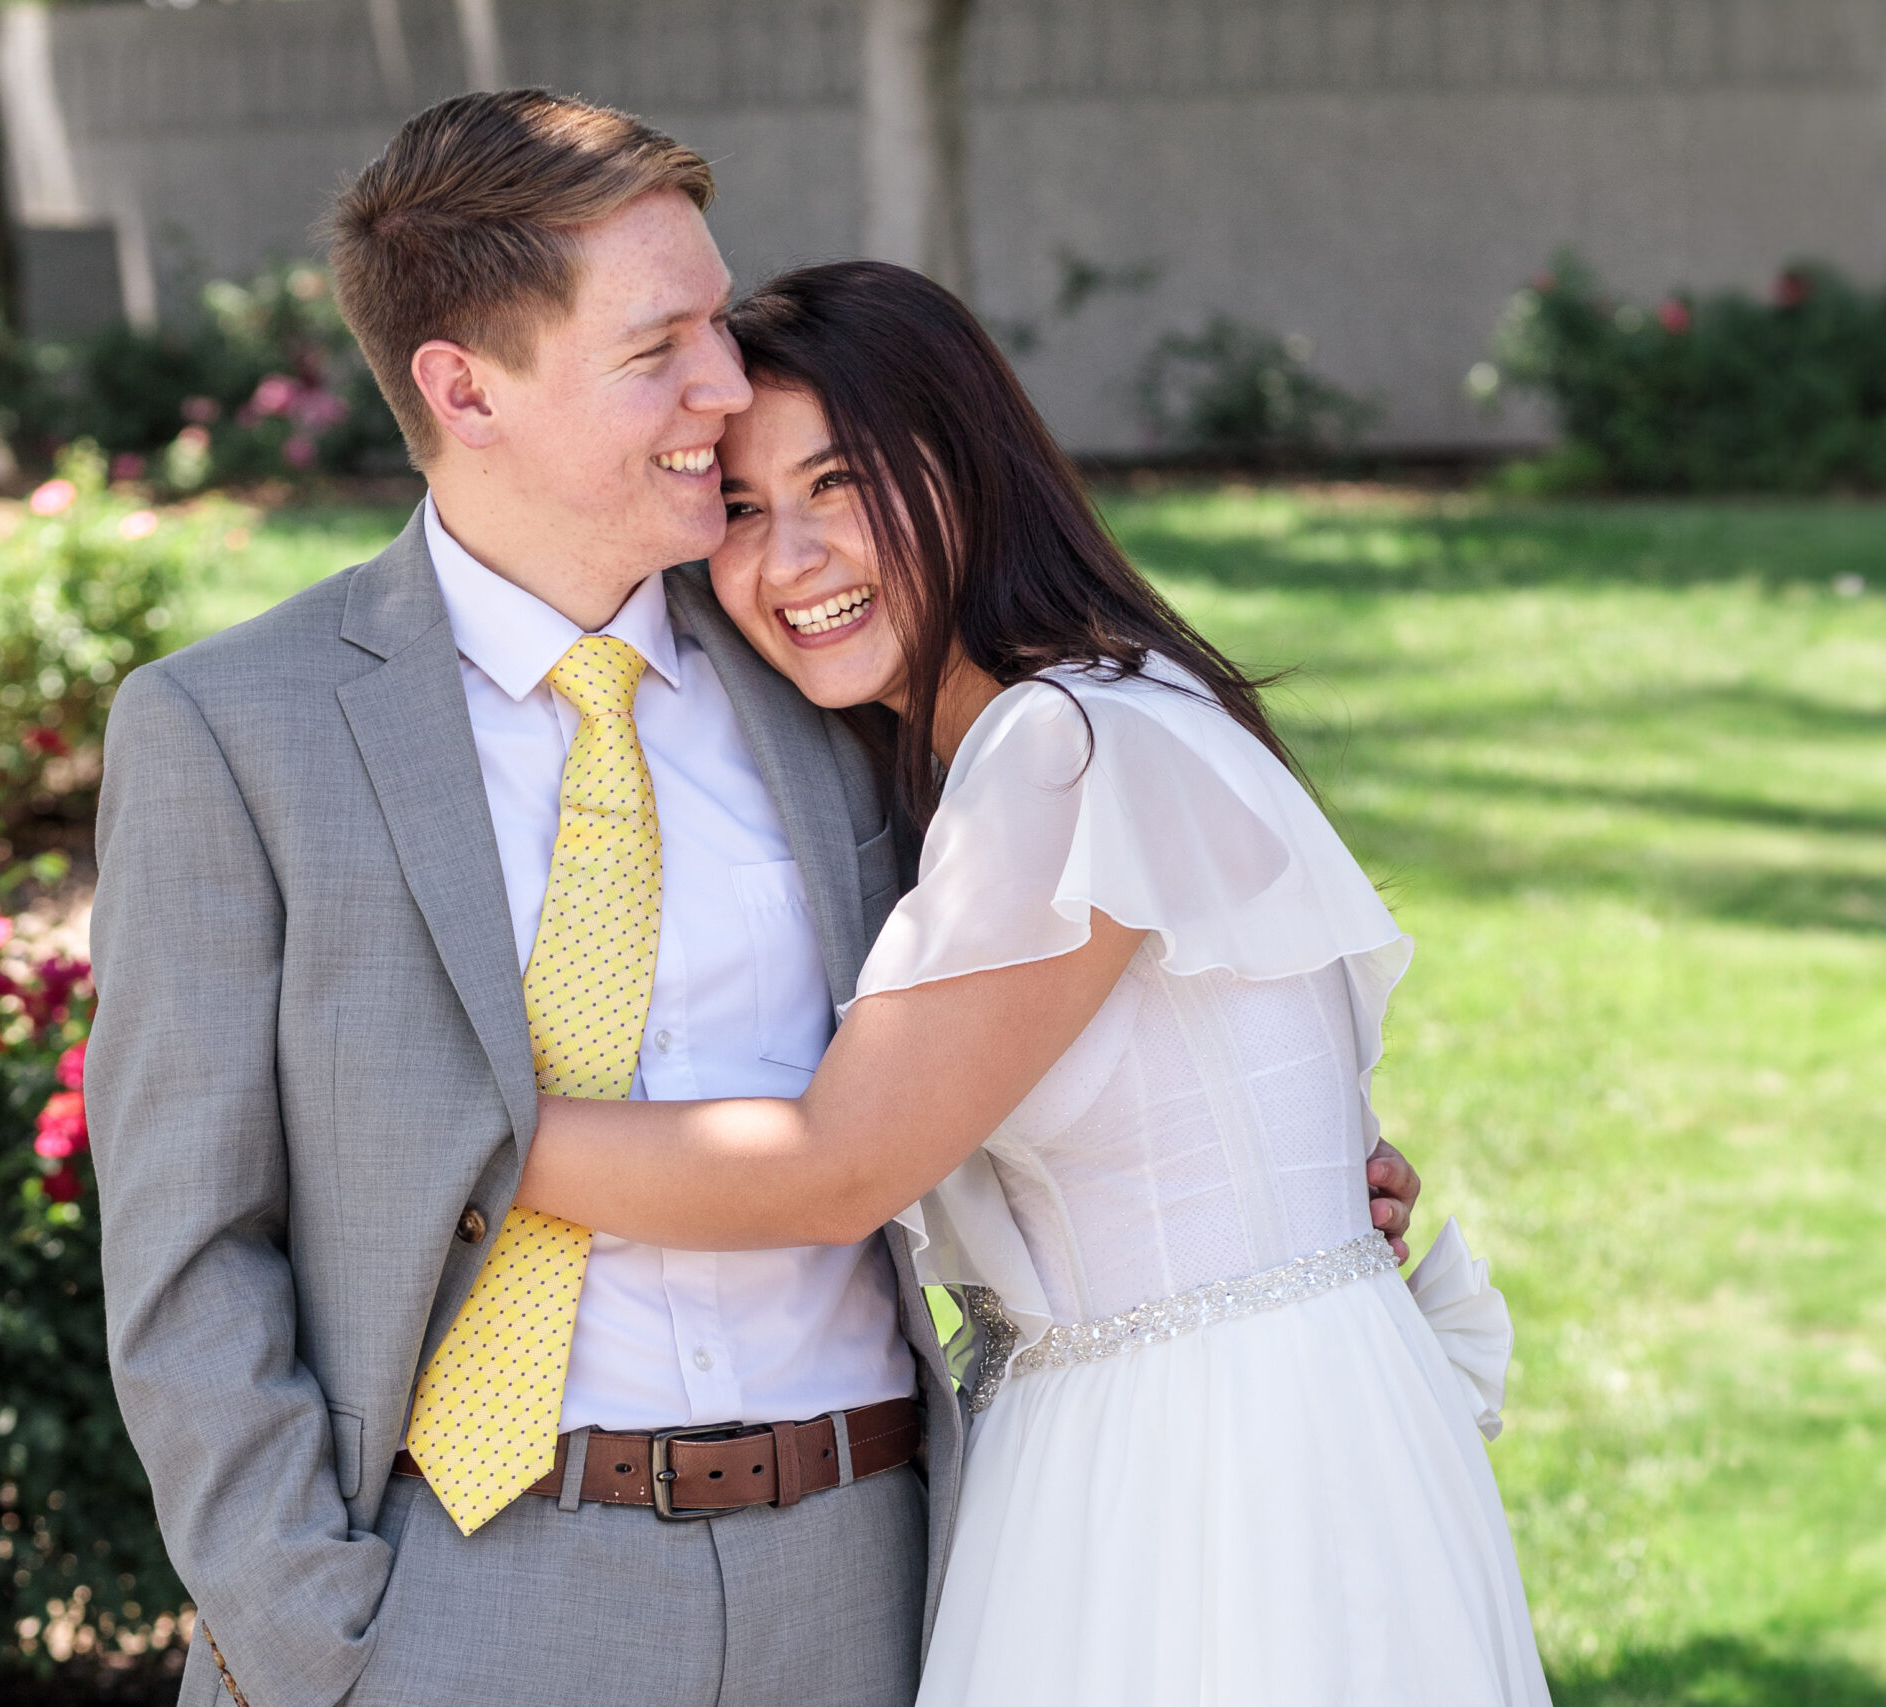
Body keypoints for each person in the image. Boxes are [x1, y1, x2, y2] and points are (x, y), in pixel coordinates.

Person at [88, 90, 1421, 1707]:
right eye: (662, 347)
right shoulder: (238, 730)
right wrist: (315, 1639)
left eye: (716, 323)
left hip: (869, 1580)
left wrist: (1251, 1180)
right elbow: (188, 1247)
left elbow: (1016, 997)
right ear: (466, 387)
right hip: (468, 1600)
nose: (723, 389)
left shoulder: (838, 670)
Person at [512, 259, 1547, 1705]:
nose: (788, 557)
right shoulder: (1088, 714)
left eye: (840, 484)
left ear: (968, 467)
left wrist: (466, 1131)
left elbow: (834, 1168)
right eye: (741, 510)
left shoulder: (1059, 747)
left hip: (1200, 1478)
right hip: (1212, 1422)